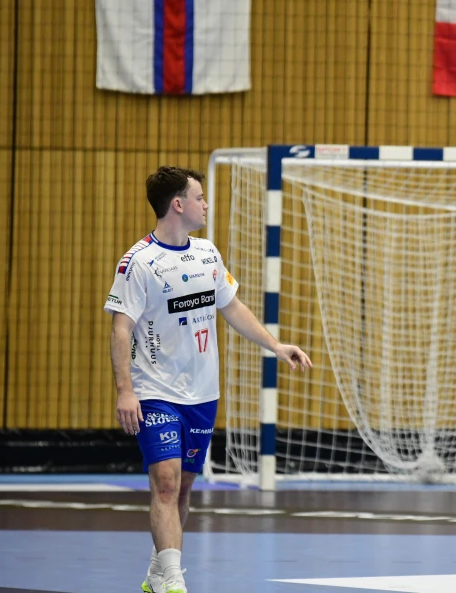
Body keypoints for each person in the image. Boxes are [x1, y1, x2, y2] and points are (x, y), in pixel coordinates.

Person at [105, 166, 312, 593]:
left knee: (182, 488)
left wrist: (275, 345)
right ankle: (174, 580)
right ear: (178, 204)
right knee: (165, 483)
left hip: (202, 393)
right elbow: (120, 328)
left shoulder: (207, 254)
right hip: (155, 392)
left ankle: (157, 570)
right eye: (199, 197)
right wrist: (126, 390)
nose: (206, 204)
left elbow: (232, 307)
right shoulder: (139, 262)